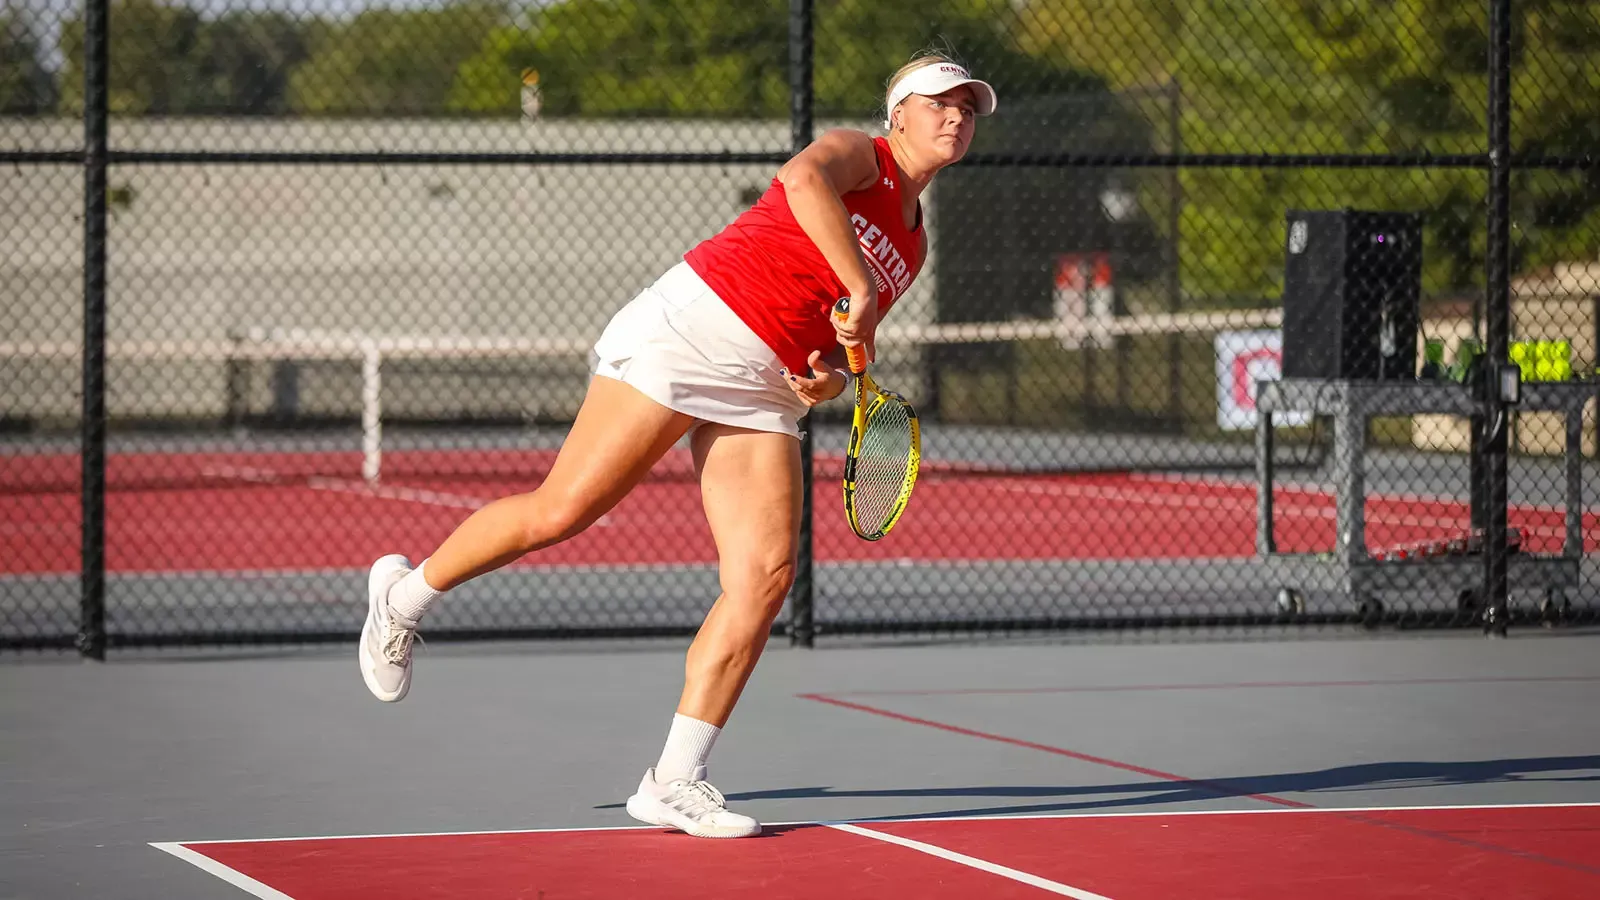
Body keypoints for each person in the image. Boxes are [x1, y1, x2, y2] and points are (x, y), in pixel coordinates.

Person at [357, 52, 997, 838]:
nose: (955, 116)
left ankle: (674, 779)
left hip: (762, 386)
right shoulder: (857, 154)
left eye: (968, 107)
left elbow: (834, 341)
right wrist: (859, 286)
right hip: (689, 332)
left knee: (764, 578)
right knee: (563, 511)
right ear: (897, 113)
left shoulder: (917, 242)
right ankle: (403, 597)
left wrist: (826, 379)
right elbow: (802, 182)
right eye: (939, 102)